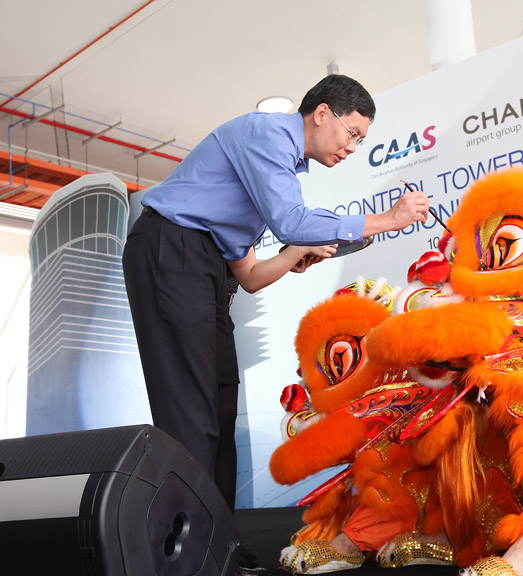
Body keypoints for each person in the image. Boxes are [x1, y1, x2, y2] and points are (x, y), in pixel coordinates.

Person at [122, 74, 429, 574]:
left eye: (360, 141)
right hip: (170, 252)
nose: (353, 148)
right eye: (352, 133)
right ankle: (183, 554)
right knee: (189, 416)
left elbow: (250, 276)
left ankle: (218, 544)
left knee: (220, 409)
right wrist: (386, 219)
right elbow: (292, 221)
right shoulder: (266, 134)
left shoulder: (262, 176)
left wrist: (293, 257)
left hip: (205, 270)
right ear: (322, 112)